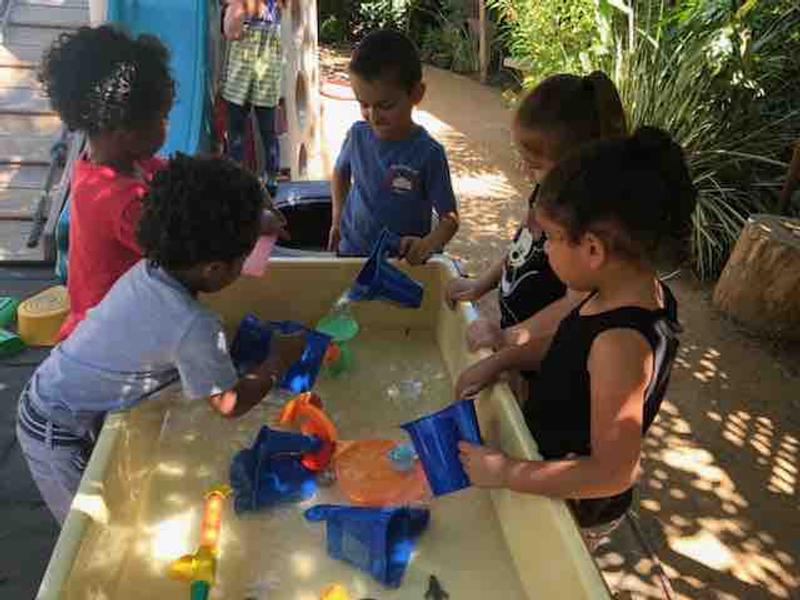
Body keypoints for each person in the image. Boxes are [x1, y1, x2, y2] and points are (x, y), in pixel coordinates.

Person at [16, 155, 305, 525]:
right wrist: (277, 361)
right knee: (94, 530)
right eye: (244, 256)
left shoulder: (152, 269)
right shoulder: (193, 324)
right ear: (215, 268)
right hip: (57, 431)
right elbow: (230, 404)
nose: (247, 265)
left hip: (59, 397)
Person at [455, 128, 696, 540]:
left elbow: (613, 472)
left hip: (573, 511)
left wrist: (507, 472)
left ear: (592, 250)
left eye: (550, 239)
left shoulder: (620, 345)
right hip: (543, 461)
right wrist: (505, 358)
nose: (544, 250)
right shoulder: (620, 294)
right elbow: (570, 344)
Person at [445, 72, 627, 350]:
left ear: (575, 165)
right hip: (518, 336)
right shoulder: (548, 194)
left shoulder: (589, 225)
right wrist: (481, 284)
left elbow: (574, 304)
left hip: (544, 347)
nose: (523, 170)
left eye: (534, 165)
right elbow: (521, 248)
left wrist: (510, 339)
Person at [39, 25, 175, 340]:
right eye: (163, 117)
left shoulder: (109, 165)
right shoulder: (124, 202)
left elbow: (179, 173)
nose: (167, 126)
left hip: (99, 324)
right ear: (126, 130)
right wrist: (249, 222)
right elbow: (185, 253)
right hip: (108, 345)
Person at [328, 29, 459, 265]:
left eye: (385, 105)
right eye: (363, 104)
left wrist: (427, 244)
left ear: (416, 94)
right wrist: (337, 219)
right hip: (351, 254)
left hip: (400, 265)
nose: (373, 116)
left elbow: (450, 220)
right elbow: (340, 171)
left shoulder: (429, 154)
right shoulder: (357, 135)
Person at [221, 0, 285, 190]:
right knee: (260, 131)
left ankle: (247, 178)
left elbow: (233, 33)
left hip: (249, 73)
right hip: (256, 73)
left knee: (244, 130)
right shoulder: (268, 5)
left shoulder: (250, 4)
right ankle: (263, 178)